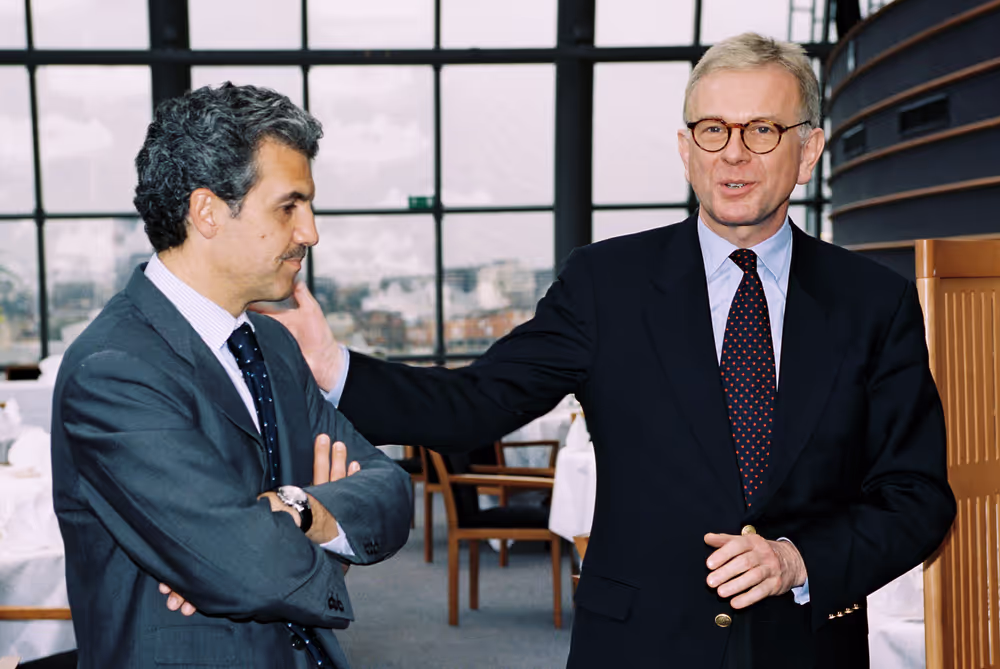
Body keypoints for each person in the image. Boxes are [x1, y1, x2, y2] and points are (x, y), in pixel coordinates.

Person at [268, 33, 955, 668]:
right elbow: (473, 404)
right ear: (686, 149)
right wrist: (332, 365)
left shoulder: (875, 302)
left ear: (808, 151)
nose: (733, 153)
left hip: (805, 648)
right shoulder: (606, 285)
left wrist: (799, 560)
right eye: (713, 129)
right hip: (638, 644)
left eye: (762, 130)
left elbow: (917, 497)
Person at [50, 83, 412, 669]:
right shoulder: (113, 370)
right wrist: (312, 532)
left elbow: (389, 489)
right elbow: (251, 569)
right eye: (289, 206)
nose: (310, 232)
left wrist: (297, 510)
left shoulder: (273, 343)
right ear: (208, 212)